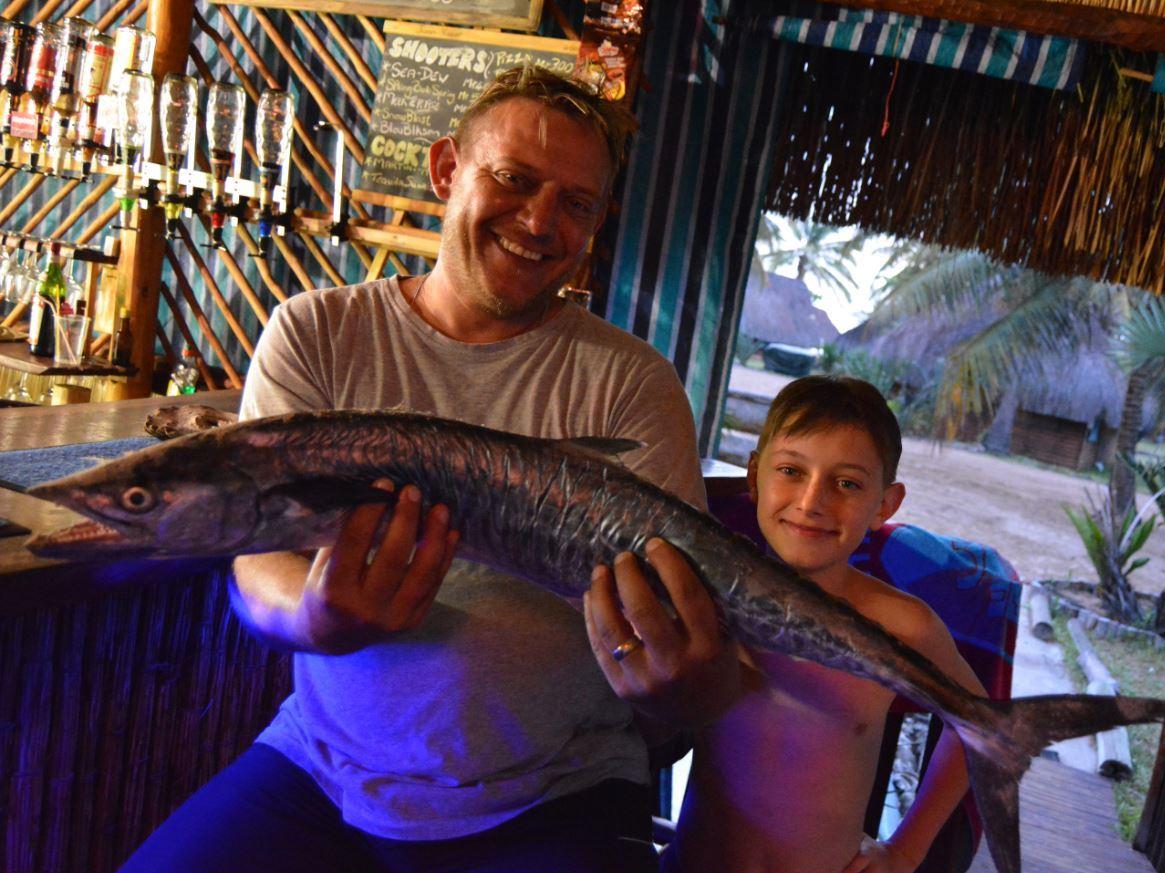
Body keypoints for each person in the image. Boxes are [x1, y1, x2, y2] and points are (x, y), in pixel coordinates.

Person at [121, 66, 737, 873]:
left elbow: (687, 665)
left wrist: (678, 685)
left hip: (555, 791)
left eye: (577, 203)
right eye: (513, 179)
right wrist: (314, 619)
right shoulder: (316, 332)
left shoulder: (632, 385)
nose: (539, 221)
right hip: (322, 771)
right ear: (447, 169)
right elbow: (259, 557)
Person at [587, 375, 988, 873]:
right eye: (792, 471)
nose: (812, 502)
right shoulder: (700, 599)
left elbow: (981, 725)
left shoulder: (902, 625)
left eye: (847, 483)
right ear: (755, 477)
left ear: (885, 505)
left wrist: (906, 850)